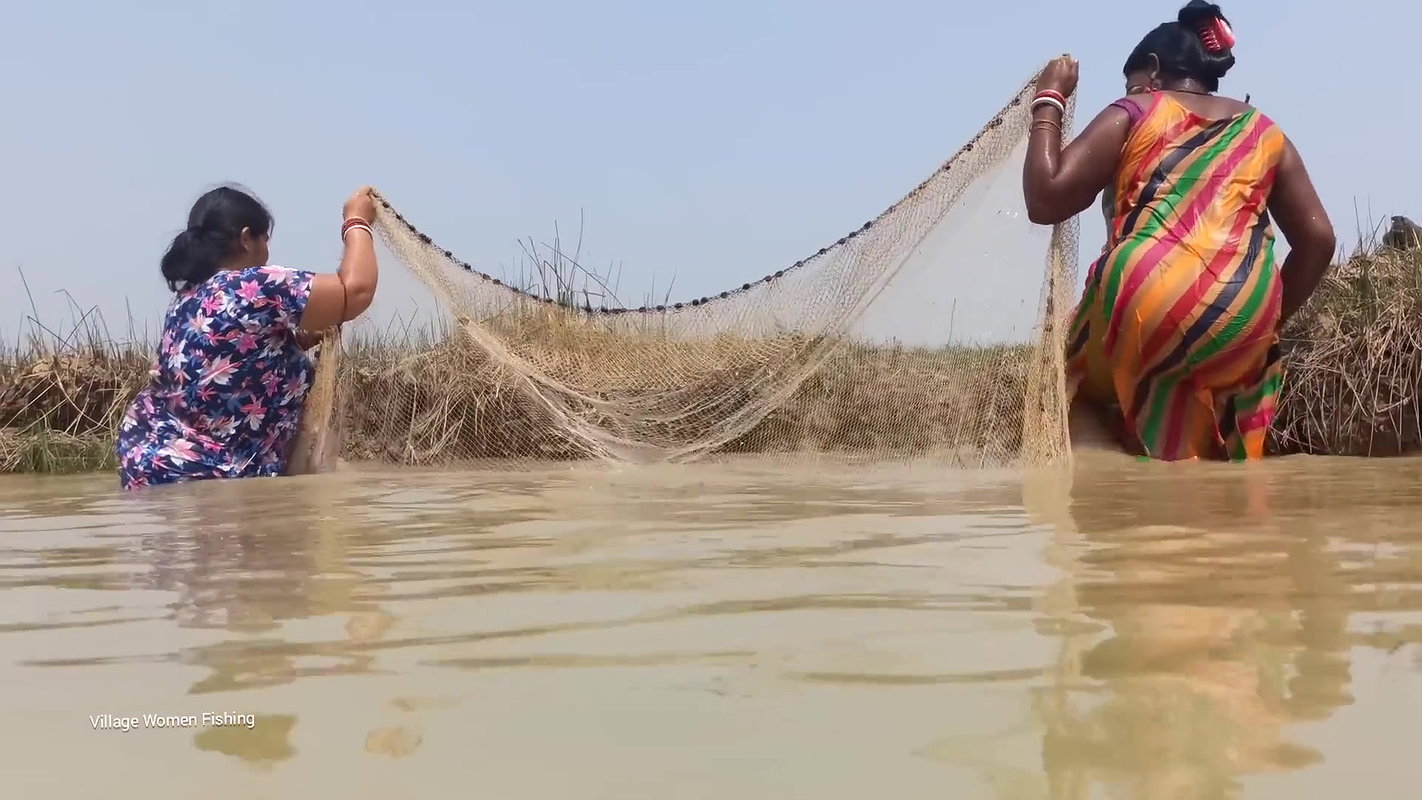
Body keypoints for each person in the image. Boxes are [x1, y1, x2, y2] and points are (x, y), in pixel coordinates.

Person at [1023, 1, 1336, 461]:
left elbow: (1045, 198)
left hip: (1145, 292)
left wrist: (1049, 99)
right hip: (1243, 307)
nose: (1132, 91)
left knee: (1077, 389)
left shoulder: (1136, 110)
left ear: (1151, 69)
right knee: (1209, 455)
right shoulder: (1265, 131)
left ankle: (1102, 491)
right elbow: (1319, 239)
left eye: (1132, 82)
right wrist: (1265, 321)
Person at [116, 185, 380, 489]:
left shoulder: (187, 300)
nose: (267, 253)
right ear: (245, 238)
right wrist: (356, 221)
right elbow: (355, 291)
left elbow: (232, 364)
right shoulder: (252, 286)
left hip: (148, 471)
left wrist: (297, 342)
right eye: (264, 240)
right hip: (211, 481)